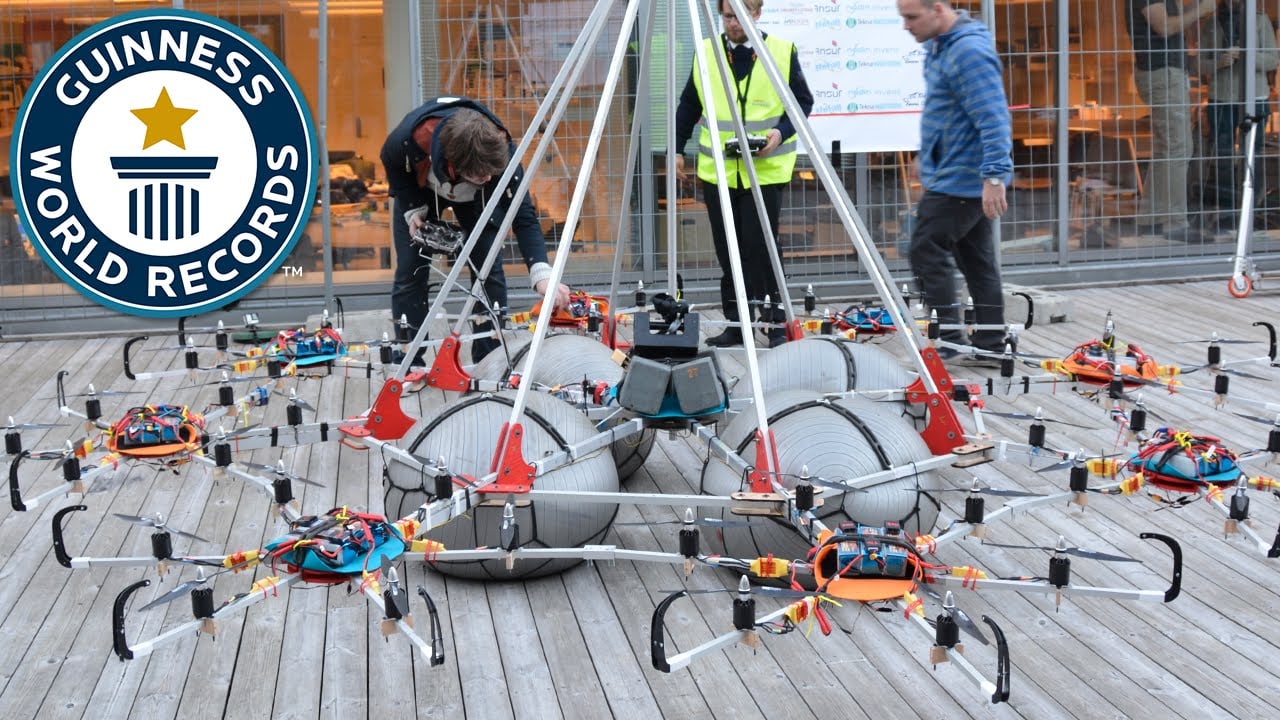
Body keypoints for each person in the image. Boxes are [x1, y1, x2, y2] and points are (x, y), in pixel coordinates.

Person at [380, 97, 570, 364]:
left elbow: (524, 217)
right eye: (483, 176)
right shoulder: (407, 140)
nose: (490, 178)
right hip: (421, 190)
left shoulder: (503, 155)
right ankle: (410, 360)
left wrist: (542, 274)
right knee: (410, 270)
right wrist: (413, 209)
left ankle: (488, 358)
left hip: (476, 199)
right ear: (453, 164)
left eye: (492, 174)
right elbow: (392, 163)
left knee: (488, 269)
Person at [672, 0, 813, 348]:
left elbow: (802, 102)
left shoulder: (781, 51)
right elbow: (689, 104)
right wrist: (676, 149)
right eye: (727, 16)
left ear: (757, 14)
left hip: (764, 172)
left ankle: (775, 322)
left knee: (761, 247)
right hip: (719, 173)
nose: (732, 23)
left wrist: (779, 133)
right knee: (728, 249)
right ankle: (737, 323)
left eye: (740, 16)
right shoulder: (707, 52)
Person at [896, 0, 1012, 357]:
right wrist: (926, 154)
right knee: (976, 260)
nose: (906, 26)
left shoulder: (968, 53)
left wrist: (994, 176)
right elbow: (946, 112)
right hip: (953, 172)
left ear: (938, 10)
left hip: (962, 177)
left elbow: (994, 117)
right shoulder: (940, 47)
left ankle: (949, 337)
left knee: (925, 249)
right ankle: (991, 344)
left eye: (912, 17)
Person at [1125, 0, 1219, 243]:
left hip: (1165, 73)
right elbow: (1164, 27)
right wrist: (1201, 10)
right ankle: (1175, 223)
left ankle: (1151, 219)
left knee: (1166, 149)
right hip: (1164, 74)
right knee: (1178, 147)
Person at [1193, 0, 1278, 228]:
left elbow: (1273, 59)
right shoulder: (1212, 22)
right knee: (1222, 154)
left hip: (1255, 97)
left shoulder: (1260, 20)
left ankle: (1253, 211)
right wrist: (1219, 62)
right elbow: (1199, 63)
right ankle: (1225, 210)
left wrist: (1247, 55)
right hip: (1221, 97)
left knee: (1253, 155)